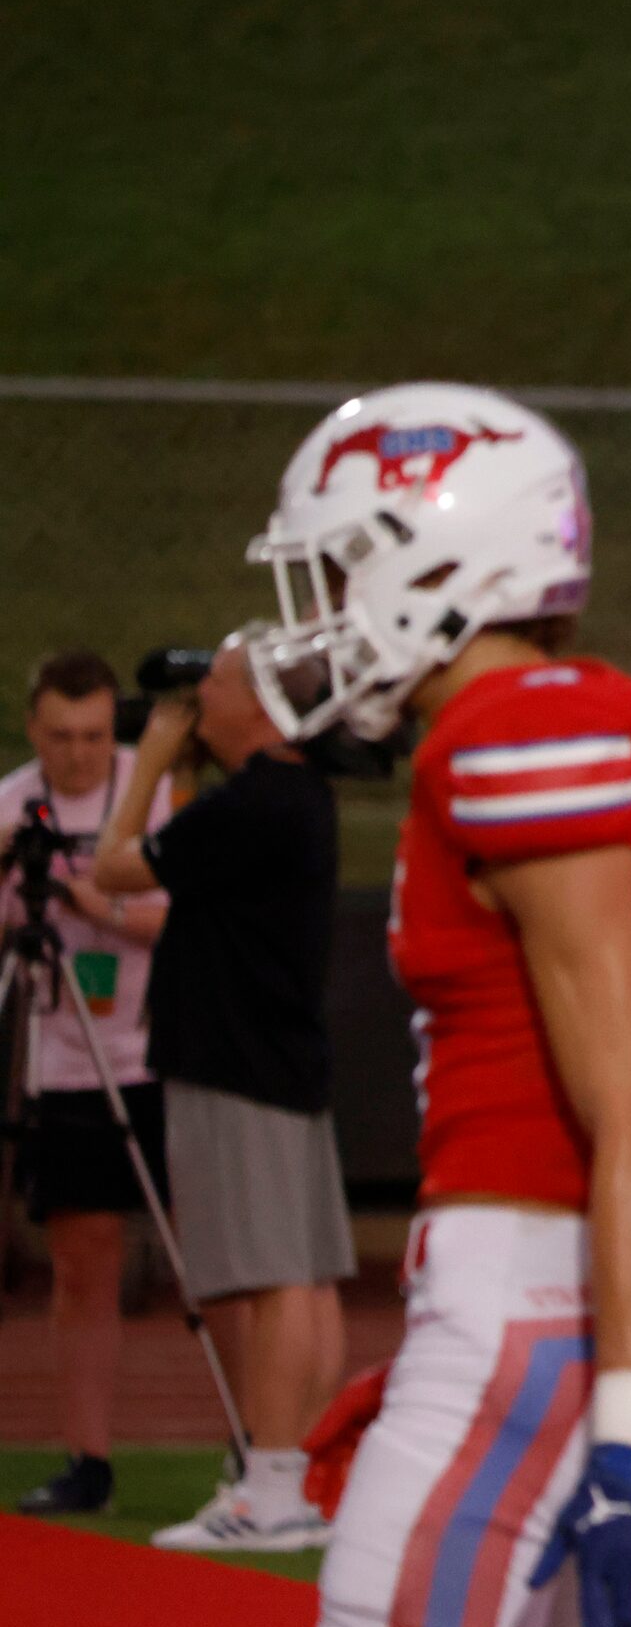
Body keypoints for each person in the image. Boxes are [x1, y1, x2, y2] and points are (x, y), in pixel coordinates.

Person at [228, 380, 631, 1627]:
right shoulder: (582, 713)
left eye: (344, 565)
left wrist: (610, 1427)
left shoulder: (512, 729)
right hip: (587, 1318)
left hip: (542, 1321)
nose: (324, 610)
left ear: (436, 554)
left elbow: (629, 1106)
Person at [92, 636, 352, 1551]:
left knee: (275, 1277)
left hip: (236, 1059)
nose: (199, 696)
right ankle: (300, 1473)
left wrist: (154, 763)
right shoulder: (293, 798)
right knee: (306, 1277)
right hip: (281, 1056)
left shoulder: (255, 805)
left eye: (218, 683)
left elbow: (114, 867)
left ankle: (271, 1480)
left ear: (264, 706)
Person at [3, 650, 174, 1516]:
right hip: (63, 1059)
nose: (77, 754)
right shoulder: (8, 804)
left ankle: (260, 1451)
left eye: (96, 737)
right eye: (62, 737)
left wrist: (83, 899)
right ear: (35, 728)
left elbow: (177, 915)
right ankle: (87, 1458)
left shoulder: (151, 795)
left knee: (209, 1258)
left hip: (158, 1051)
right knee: (82, 1261)